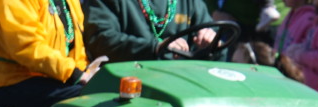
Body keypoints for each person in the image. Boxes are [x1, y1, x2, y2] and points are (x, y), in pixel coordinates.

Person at [0, 0, 96, 107]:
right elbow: (27, 47)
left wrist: (87, 73)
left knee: (99, 90)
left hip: (51, 78)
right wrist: (75, 74)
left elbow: (76, 47)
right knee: (89, 99)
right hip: (8, 83)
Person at [84, 0, 218, 62]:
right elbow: (99, 40)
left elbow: (214, 39)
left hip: (182, 81)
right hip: (128, 83)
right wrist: (156, 48)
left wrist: (211, 41)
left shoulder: (191, 3)